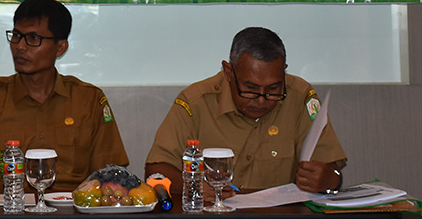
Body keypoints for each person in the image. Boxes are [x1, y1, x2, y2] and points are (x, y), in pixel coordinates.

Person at [145, 26, 346, 196]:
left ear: (283, 71)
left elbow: (331, 172)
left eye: (273, 89)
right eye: (250, 89)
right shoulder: (195, 102)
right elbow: (155, 171)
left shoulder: (301, 97)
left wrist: (331, 180)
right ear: (228, 72)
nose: (261, 100)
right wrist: (193, 187)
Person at [0, 0, 128, 192]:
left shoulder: (88, 101)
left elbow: (110, 174)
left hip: (73, 213)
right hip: (8, 213)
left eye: (33, 39)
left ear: (60, 47)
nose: (20, 46)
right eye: (16, 35)